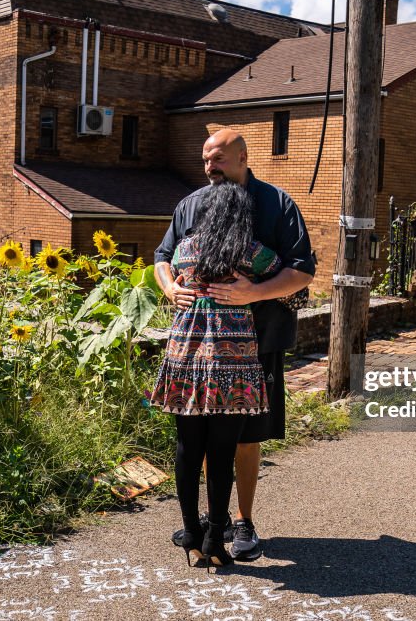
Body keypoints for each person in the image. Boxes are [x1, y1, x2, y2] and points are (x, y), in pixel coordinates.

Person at [154, 128, 315, 561]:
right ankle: (214, 520)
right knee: (207, 435)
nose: (210, 167)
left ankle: (243, 520)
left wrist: (253, 293)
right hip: (197, 347)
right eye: (206, 159)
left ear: (243, 157)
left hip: (259, 340)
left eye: (219, 159)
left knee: (246, 437)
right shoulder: (191, 204)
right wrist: (171, 288)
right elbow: (162, 257)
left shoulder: (277, 204)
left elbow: (302, 272)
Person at [147, 182, 280, 567]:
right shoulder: (249, 252)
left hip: (185, 356)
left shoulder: (185, 250)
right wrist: (254, 288)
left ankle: (191, 533)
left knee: (188, 449)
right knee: (222, 453)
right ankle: (215, 543)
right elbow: (288, 280)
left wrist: (177, 286)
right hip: (231, 361)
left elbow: (165, 265)